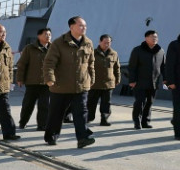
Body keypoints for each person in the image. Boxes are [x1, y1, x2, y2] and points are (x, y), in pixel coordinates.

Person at [43, 16, 96, 148]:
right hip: (61, 86)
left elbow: (91, 63)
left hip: (81, 85)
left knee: (81, 112)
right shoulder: (59, 43)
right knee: (57, 113)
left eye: (85, 26)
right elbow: (49, 62)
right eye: (81, 25)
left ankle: (83, 138)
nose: (84, 28)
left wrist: (92, 78)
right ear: (71, 27)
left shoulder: (88, 43)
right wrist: (49, 78)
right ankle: (52, 136)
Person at [16, 28, 52, 131]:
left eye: (49, 34)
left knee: (44, 105)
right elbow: (22, 64)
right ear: (39, 36)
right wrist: (19, 78)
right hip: (32, 82)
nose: (48, 36)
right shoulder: (29, 48)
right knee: (28, 104)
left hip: (47, 83)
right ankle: (23, 122)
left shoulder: (54, 48)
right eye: (46, 34)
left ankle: (42, 125)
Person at [128, 30, 165, 129]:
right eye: (152, 37)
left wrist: (166, 80)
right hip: (140, 82)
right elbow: (132, 67)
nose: (155, 39)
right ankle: (137, 121)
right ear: (146, 38)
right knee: (140, 101)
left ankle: (145, 121)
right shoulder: (138, 50)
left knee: (149, 102)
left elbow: (163, 67)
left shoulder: (160, 51)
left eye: (156, 37)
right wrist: (132, 80)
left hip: (154, 82)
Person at [88, 34, 121, 126]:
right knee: (91, 102)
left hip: (109, 83)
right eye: (105, 42)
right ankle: (89, 117)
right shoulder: (92, 53)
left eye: (109, 42)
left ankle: (104, 119)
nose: (107, 44)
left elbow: (117, 67)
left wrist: (118, 78)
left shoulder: (114, 53)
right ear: (100, 42)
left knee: (106, 103)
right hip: (94, 83)